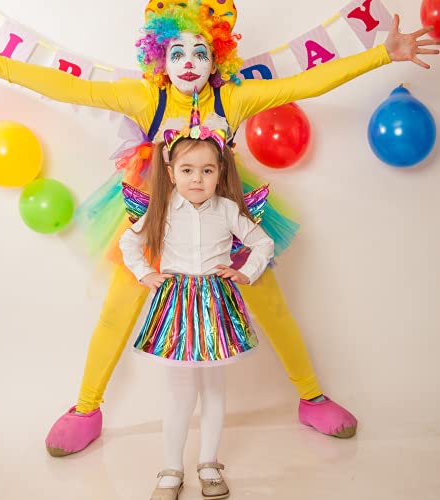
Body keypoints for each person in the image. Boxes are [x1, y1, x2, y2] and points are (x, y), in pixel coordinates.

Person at [0, 0, 438, 457]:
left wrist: (382, 55)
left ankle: (311, 397)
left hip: (224, 214)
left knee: (271, 302)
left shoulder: (235, 100)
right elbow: (75, 87)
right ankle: (86, 408)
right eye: (176, 51)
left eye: (200, 51)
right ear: (160, 57)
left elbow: (307, 83)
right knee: (119, 309)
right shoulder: (144, 98)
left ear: (215, 59)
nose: (188, 61)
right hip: (154, 217)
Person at [118, 94, 275, 500]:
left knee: (215, 389)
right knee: (179, 392)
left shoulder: (226, 209)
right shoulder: (162, 208)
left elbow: (263, 244)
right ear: (170, 172)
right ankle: (171, 469)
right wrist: (146, 274)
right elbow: (128, 245)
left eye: (207, 170)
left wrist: (245, 272)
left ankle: (209, 463)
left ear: (220, 171)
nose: (197, 179)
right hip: (175, 306)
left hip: (217, 306)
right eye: (187, 169)